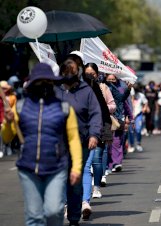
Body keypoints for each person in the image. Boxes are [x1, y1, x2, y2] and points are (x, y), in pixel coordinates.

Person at [2, 63, 82, 226]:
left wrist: (76, 168)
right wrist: (8, 123)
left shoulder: (64, 108)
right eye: (39, 82)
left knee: (54, 211)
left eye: (47, 82)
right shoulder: (20, 106)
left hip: (57, 167)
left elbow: (73, 138)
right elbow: (6, 137)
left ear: (53, 83)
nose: (43, 85)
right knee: (34, 216)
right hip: (28, 168)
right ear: (32, 84)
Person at [55, 58, 102, 224]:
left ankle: (74, 217)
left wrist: (94, 135)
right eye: (66, 71)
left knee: (75, 179)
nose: (69, 74)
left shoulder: (86, 91)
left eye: (73, 71)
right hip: (57, 144)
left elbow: (95, 114)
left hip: (80, 143)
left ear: (78, 72)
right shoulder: (54, 90)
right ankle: (60, 207)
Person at [84, 63, 116, 199]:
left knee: (96, 159)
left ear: (97, 74)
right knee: (85, 164)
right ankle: (83, 196)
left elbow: (110, 106)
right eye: (86, 74)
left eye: (92, 74)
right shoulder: (75, 89)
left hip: (99, 128)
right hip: (82, 130)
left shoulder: (102, 88)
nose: (90, 76)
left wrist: (100, 111)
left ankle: (96, 187)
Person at [129, 84, 149, 152]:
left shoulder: (141, 95)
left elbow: (146, 102)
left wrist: (144, 108)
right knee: (131, 131)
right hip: (130, 115)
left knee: (138, 129)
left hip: (138, 114)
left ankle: (138, 144)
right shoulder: (129, 94)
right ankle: (131, 145)